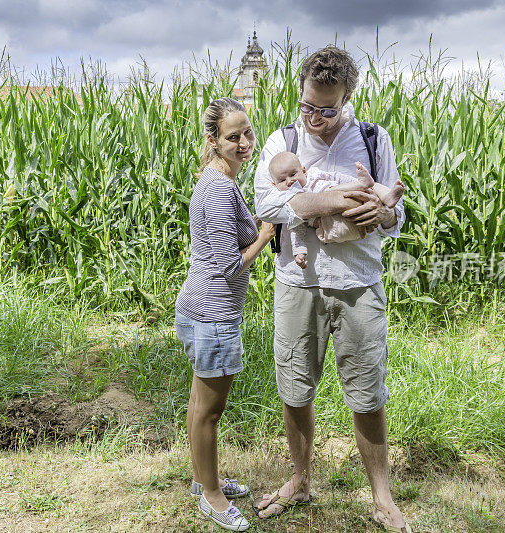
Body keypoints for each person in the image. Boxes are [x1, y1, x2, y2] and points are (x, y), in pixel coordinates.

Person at [253, 46, 412, 533]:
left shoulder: (371, 138)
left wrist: (383, 214)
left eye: (328, 108)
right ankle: (300, 480)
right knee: (295, 386)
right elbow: (266, 205)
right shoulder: (282, 141)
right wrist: (327, 199)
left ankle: (381, 497)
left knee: (367, 393)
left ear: (347, 98)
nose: (316, 118)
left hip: (358, 286)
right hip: (297, 283)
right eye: (308, 106)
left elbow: (397, 215)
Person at [175, 97, 276, 531]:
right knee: (209, 411)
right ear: (213, 141)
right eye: (233, 137)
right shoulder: (217, 187)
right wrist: (266, 234)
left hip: (204, 305)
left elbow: (230, 233)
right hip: (213, 312)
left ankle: (204, 480)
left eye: (248, 133)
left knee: (200, 402)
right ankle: (211, 497)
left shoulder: (221, 181)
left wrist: (258, 221)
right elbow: (228, 264)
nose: (245, 143)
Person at [268, 151, 405, 268]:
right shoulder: (290, 201)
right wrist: (299, 252)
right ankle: (361, 220)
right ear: (274, 185)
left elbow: (335, 177)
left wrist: (356, 182)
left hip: (344, 191)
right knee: (330, 221)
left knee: (372, 187)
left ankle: (388, 198)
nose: (289, 181)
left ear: (304, 170)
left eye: (293, 174)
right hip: (330, 222)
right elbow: (297, 230)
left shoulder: (315, 175)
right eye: (282, 180)